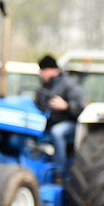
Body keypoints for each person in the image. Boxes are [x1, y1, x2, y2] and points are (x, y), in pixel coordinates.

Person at [34, 55, 86, 183]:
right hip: (48, 123)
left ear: (53, 70)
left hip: (69, 124)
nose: (41, 74)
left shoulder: (69, 84)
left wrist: (66, 106)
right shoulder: (43, 87)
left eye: (43, 70)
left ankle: (59, 173)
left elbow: (80, 107)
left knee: (57, 132)